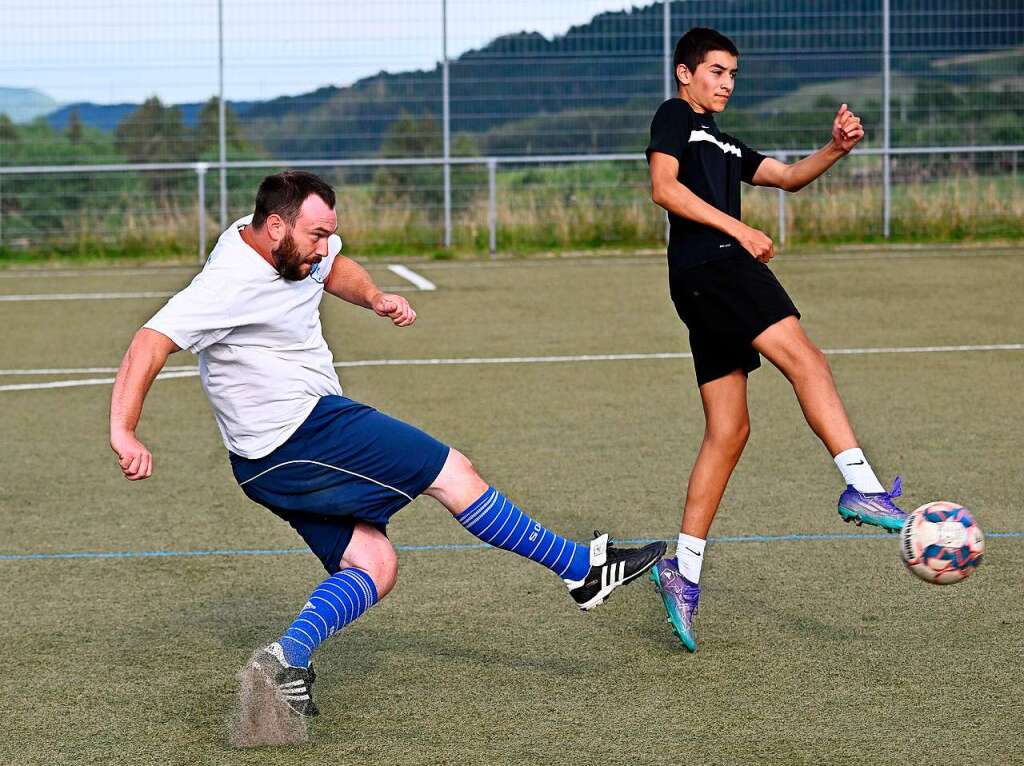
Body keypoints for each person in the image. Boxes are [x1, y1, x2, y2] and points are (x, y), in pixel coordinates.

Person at [109, 170, 665, 716]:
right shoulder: (227, 281)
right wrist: (124, 430)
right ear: (276, 227)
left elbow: (333, 269)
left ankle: (285, 661)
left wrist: (373, 296)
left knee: (375, 564)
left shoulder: (277, 242)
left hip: (268, 460)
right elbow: (148, 343)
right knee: (452, 472)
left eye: (329, 233)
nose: (325, 246)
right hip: (299, 433)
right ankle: (580, 571)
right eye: (317, 235)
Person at [645, 28, 906, 652]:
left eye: (732, 73)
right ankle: (861, 485)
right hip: (715, 266)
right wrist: (738, 229)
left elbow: (788, 176)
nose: (726, 82)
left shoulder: (724, 139)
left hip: (700, 282)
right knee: (806, 359)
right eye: (715, 71)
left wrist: (835, 148)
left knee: (729, 430)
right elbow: (665, 188)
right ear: (685, 74)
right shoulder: (676, 116)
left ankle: (682, 568)